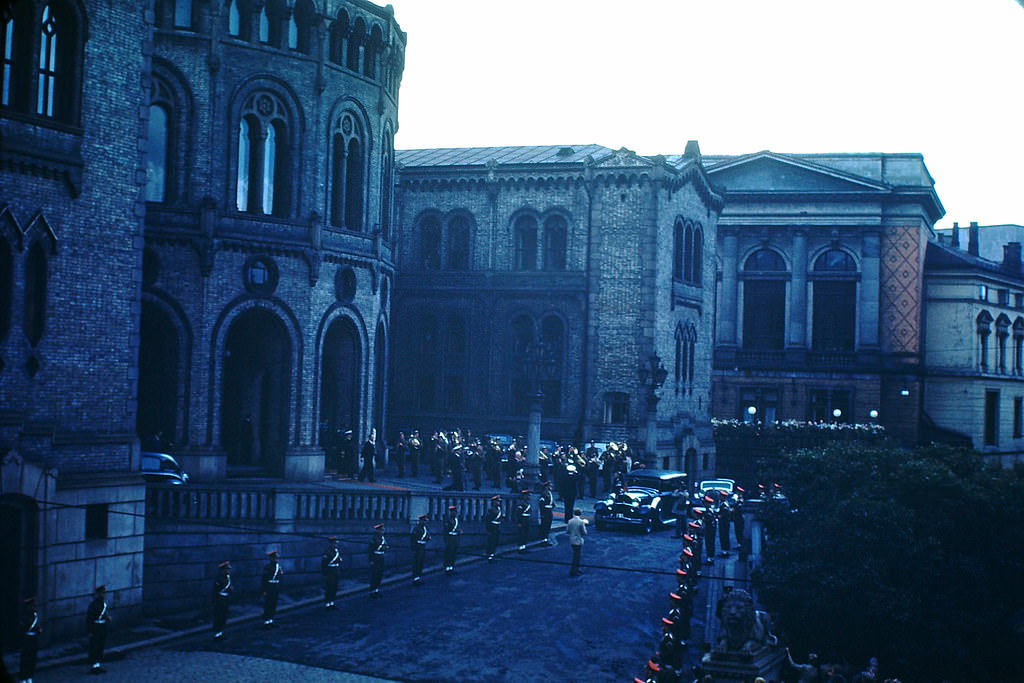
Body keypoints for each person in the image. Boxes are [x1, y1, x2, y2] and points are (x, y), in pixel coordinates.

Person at [86, 585, 110, 675]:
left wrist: (107, 618)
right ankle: (94, 666)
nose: (104, 595)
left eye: (104, 593)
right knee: (95, 647)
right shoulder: (94, 604)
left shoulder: (103, 604)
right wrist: (90, 631)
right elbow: (89, 619)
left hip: (102, 626)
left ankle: (98, 664)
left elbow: (104, 615)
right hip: (96, 627)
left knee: (101, 646)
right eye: (102, 593)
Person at [20, 596, 41, 683]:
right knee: (26, 659)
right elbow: (23, 628)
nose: (33, 607)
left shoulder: (35, 614)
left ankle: (29, 676)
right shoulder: (25, 616)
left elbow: (37, 626)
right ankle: (23, 677)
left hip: (33, 638)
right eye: (32, 605)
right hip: (27, 639)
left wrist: (39, 630)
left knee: (33, 659)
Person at [211, 560, 232, 640]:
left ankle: (220, 632)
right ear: (222, 570)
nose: (228, 571)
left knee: (224, 616)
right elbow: (215, 590)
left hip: (225, 599)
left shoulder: (227, 577)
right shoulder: (219, 579)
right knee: (218, 616)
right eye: (226, 569)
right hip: (219, 599)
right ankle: (216, 633)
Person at [261, 550, 283, 627]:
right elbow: (264, 579)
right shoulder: (267, 567)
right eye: (275, 558)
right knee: (268, 604)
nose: (276, 559)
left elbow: (280, 576)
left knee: (274, 603)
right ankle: (266, 621)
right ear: (271, 558)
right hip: (269, 586)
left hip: (275, 586)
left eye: (277, 558)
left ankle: (271, 620)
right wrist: (264, 590)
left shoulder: (278, 566)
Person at [368, 522, 388, 597]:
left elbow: (385, 546)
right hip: (375, 558)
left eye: (383, 530)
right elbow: (370, 550)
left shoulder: (383, 538)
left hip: (381, 557)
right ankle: (372, 591)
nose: (383, 531)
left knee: (380, 574)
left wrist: (385, 548)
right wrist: (371, 560)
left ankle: (376, 590)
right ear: (377, 530)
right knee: (375, 575)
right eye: (381, 530)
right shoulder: (374, 539)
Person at [566, 508, 588, 577]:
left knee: (575, 555)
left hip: (572, 540)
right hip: (578, 540)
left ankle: (575, 569)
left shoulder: (570, 521)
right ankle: (574, 571)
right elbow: (584, 533)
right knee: (577, 557)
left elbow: (568, 531)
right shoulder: (581, 522)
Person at [321, 537, 342, 608]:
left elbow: (339, 560)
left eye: (336, 543)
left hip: (336, 571)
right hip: (330, 571)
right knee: (329, 587)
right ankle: (327, 603)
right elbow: (324, 564)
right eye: (334, 543)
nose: (335, 545)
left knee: (334, 587)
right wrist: (325, 573)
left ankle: (332, 602)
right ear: (330, 544)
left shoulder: (336, 551)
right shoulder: (327, 552)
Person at [411, 514, 431, 584]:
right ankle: (415, 578)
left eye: (426, 521)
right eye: (424, 521)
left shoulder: (425, 528)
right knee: (417, 563)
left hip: (423, 546)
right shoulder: (417, 528)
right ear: (421, 521)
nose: (425, 522)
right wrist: (414, 549)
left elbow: (428, 536)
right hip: (417, 547)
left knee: (421, 563)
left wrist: (427, 538)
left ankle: (418, 577)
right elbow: (413, 539)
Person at [443, 505, 461, 574]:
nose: (455, 513)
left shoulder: (456, 520)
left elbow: (457, 528)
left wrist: (459, 531)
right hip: (450, 538)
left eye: (455, 512)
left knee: (454, 553)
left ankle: (451, 567)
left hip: (455, 538)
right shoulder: (448, 520)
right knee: (448, 553)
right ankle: (447, 568)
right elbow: (445, 531)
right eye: (454, 512)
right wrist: (446, 540)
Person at [484, 495, 503, 561]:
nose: (499, 502)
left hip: (497, 527)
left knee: (495, 541)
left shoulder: (499, 509)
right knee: (491, 542)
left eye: (499, 501)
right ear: (494, 502)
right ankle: (490, 556)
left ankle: (493, 554)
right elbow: (488, 520)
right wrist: (488, 530)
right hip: (492, 527)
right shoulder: (491, 510)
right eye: (497, 501)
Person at [538, 481, 555, 545]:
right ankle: (543, 540)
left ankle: (546, 538)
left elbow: (551, 501)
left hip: (549, 510)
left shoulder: (549, 493)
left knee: (548, 525)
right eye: (549, 486)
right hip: (545, 511)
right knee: (544, 525)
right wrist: (542, 514)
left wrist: (553, 505)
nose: (550, 487)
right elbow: (541, 504)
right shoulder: (544, 494)